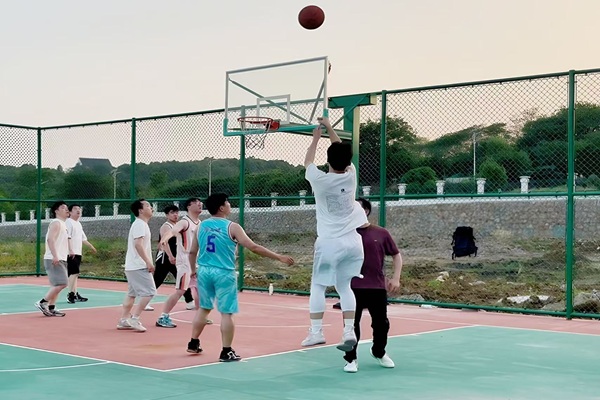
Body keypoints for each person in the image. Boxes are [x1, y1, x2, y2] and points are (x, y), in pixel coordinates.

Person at [186, 193, 294, 362]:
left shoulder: (201, 226)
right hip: (224, 272)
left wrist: (193, 270)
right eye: (227, 202)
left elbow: (192, 251)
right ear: (222, 207)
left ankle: (193, 343)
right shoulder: (232, 227)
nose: (230, 205)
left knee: (204, 309)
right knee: (227, 313)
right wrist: (278, 257)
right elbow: (253, 247)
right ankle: (226, 351)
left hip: (204, 271)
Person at [301, 117, 369, 353]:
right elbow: (339, 148)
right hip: (353, 242)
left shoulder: (319, 180)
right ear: (349, 161)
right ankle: (349, 330)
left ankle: (316, 332)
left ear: (328, 160)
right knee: (345, 286)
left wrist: (315, 139)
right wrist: (330, 127)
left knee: (318, 286)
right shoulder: (351, 175)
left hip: (330, 242)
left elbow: (308, 161)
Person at [342, 198, 402, 373]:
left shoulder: (381, 233)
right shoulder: (345, 233)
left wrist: (396, 278)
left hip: (376, 286)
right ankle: (351, 359)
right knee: (351, 325)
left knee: (381, 324)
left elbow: (396, 255)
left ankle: (378, 351)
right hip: (352, 287)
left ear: (366, 211)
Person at [156, 198, 202, 328]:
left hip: (196, 260)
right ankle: (163, 317)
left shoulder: (200, 223)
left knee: (200, 290)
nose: (200, 204)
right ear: (189, 206)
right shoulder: (184, 222)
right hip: (185, 261)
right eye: (196, 203)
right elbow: (172, 231)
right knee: (180, 290)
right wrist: (165, 239)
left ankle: (201, 316)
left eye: (200, 202)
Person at [117, 199, 156, 332]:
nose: (151, 208)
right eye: (148, 206)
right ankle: (135, 318)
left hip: (132, 265)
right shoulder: (140, 224)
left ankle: (124, 320)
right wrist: (148, 262)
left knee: (131, 294)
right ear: (140, 211)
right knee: (150, 292)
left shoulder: (140, 224)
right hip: (138, 265)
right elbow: (138, 245)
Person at [147, 205, 194, 311]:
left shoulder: (179, 225)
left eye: (177, 212)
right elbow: (164, 242)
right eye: (172, 213)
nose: (175, 215)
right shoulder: (166, 226)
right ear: (167, 215)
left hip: (176, 258)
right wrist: (170, 256)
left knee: (182, 277)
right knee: (158, 279)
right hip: (164, 258)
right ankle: (146, 300)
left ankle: (190, 301)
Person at [35, 201, 71, 317]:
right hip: (54, 258)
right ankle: (42, 302)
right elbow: (50, 239)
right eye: (63, 208)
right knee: (63, 283)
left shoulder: (63, 224)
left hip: (61, 258)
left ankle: (51, 307)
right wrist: (55, 256)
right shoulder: (56, 223)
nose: (66, 209)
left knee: (56, 285)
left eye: (67, 208)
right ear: (56, 211)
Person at [65, 204, 97, 304]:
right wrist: (70, 250)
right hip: (71, 253)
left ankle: (74, 293)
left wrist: (91, 246)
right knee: (74, 273)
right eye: (75, 209)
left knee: (75, 274)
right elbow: (67, 237)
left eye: (79, 209)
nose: (78, 210)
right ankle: (70, 294)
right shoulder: (68, 222)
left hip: (78, 252)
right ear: (70, 212)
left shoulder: (78, 224)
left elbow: (83, 239)